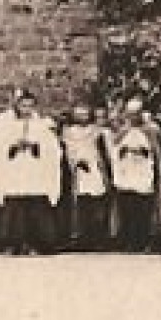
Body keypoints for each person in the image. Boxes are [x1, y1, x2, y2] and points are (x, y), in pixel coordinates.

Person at [0, 90, 63, 254]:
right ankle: (14, 243)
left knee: (37, 204)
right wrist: (12, 147)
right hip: (15, 170)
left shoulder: (42, 126)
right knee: (15, 204)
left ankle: (40, 243)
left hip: (35, 171)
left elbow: (52, 149)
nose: (26, 109)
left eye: (30, 106)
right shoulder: (6, 125)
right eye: (23, 106)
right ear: (17, 106)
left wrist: (35, 147)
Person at [111, 99, 161, 251]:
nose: (133, 117)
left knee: (143, 210)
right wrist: (124, 151)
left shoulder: (151, 130)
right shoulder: (122, 131)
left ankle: (142, 241)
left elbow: (156, 152)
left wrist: (144, 152)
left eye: (136, 114)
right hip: (127, 174)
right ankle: (128, 242)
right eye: (130, 114)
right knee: (127, 209)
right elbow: (115, 149)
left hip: (143, 174)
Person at [61, 105, 112, 250]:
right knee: (79, 204)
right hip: (77, 171)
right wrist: (75, 162)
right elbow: (68, 151)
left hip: (95, 169)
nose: (82, 117)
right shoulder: (68, 132)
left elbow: (104, 151)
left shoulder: (97, 132)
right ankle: (79, 237)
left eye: (85, 114)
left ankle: (97, 238)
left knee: (97, 202)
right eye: (79, 114)